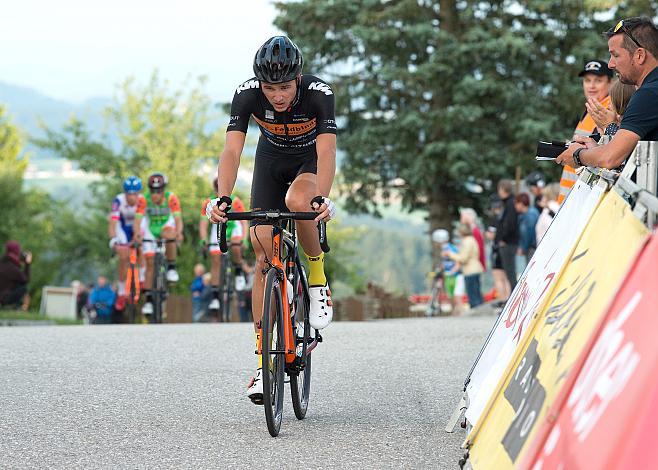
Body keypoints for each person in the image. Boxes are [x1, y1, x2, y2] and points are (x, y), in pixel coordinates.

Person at [207, 36, 338, 404]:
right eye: (270, 88)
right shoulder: (247, 93)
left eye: (283, 87)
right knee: (262, 249)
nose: (277, 96)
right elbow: (232, 149)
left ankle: (316, 278)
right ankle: (265, 364)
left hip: (307, 164)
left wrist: (321, 197)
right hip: (269, 162)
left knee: (299, 200)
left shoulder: (318, 93)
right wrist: (223, 196)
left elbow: (327, 150)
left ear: (297, 79)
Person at [557, 17, 658, 169]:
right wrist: (596, 150)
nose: (610, 64)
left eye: (615, 55)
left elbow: (610, 158)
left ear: (639, 55)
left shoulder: (649, 94)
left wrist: (577, 155)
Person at [557, 59, 613, 204]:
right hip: (574, 196)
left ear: (610, 82)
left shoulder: (606, 110)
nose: (592, 86)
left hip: (583, 199)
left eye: (598, 80)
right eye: (587, 80)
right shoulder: (591, 109)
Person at [134, 172, 184, 316]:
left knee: (170, 234)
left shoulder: (171, 197)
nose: (155, 195)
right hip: (150, 229)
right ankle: (149, 300)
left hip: (165, 226)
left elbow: (178, 219)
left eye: (159, 191)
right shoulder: (143, 199)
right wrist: (137, 234)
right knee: (149, 264)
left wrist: (179, 232)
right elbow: (137, 221)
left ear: (164, 190)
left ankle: (171, 266)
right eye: (153, 191)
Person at [199, 177, 249, 313]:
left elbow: (244, 222)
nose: (218, 192)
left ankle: (238, 271)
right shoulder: (208, 202)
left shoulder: (236, 201)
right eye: (217, 189)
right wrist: (203, 239)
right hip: (219, 229)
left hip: (233, 228)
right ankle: (215, 297)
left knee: (236, 245)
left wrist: (244, 239)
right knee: (215, 261)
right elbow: (203, 224)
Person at [109, 176, 144, 311]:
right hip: (123, 228)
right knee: (123, 256)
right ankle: (122, 292)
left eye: (135, 194)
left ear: (138, 193)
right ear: (125, 193)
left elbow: (142, 222)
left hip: (139, 225)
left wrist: (138, 237)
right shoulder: (118, 201)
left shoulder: (142, 201)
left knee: (142, 246)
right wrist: (113, 239)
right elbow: (112, 222)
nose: (131, 197)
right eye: (129, 194)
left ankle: (141, 276)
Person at [444, 223, 484, 309]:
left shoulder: (466, 241)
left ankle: (476, 311)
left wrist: (450, 254)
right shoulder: (472, 239)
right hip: (476, 268)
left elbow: (463, 258)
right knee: (477, 292)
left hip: (470, 270)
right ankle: (480, 309)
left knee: (472, 293)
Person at [494, 179, 519, 292]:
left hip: (508, 243)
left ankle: (513, 295)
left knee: (510, 272)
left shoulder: (510, 203)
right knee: (509, 272)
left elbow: (510, 224)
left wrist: (503, 238)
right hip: (508, 242)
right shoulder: (508, 203)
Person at [0, 241, 31, 310]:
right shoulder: (13, 268)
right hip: (4, 298)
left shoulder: (2, 262)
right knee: (23, 287)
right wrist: (27, 264)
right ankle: (18, 307)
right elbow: (26, 279)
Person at [515, 192, 540, 262]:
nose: (515, 206)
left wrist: (523, 248)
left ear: (521, 203)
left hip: (532, 249)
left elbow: (529, 234)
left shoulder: (531, 215)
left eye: (516, 203)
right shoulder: (523, 215)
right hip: (530, 249)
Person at [459, 208, 486, 272]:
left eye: (462, 216)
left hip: (474, 268)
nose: (461, 219)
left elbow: (479, 249)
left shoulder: (474, 231)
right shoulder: (472, 230)